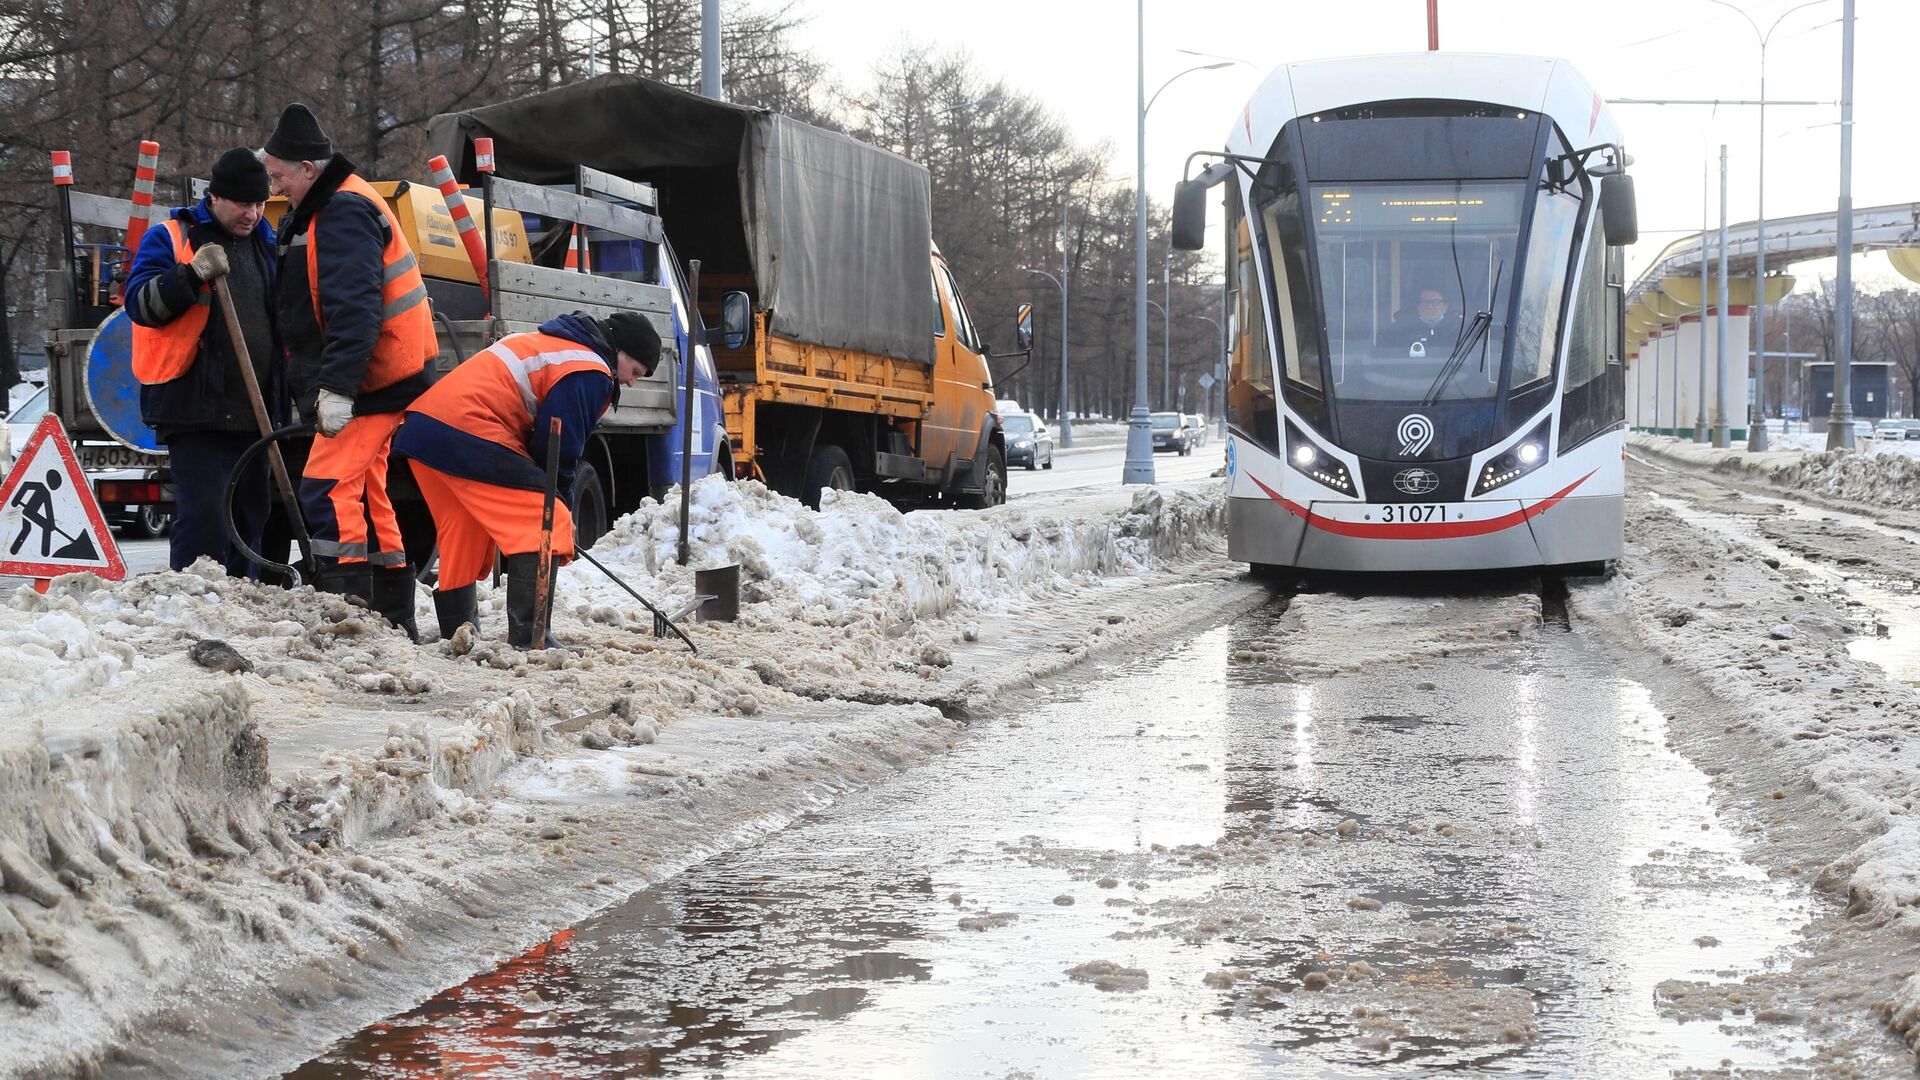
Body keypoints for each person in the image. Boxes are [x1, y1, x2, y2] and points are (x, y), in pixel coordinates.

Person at [263, 103, 435, 638]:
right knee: (366, 491)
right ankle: (392, 613)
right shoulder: (338, 205)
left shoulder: (340, 212)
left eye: (280, 176)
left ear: (308, 169)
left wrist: (336, 389)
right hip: (386, 377)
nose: (276, 187)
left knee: (324, 485)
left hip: (371, 381)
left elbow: (354, 310)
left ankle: (350, 614)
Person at [392, 311, 659, 649]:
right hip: (466, 429)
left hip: (424, 430)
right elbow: (556, 444)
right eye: (634, 371)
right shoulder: (589, 369)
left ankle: (458, 634)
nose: (632, 382)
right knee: (546, 519)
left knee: (463, 529)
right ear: (620, 350)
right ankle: (531, 638)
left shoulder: (555, 344)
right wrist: (558, 500)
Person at [125, 148, 281, 578]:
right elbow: (139, 306)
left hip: (256, 413)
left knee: (251, 515)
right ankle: (195, 601)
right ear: (214, 198)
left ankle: (242, 606)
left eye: (259, 203)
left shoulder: (266, 244)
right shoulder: (172, 238)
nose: (252, 213)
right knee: (207, 515)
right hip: (195, 406)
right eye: (242, 204)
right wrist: (189, 276)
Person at [1388, 287, 1464, 354]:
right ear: (1417, 306)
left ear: (1446, 306)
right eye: (1424, 302)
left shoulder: (1460, 329)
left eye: (1435, 302)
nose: (1429, 306)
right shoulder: (1399, 330)